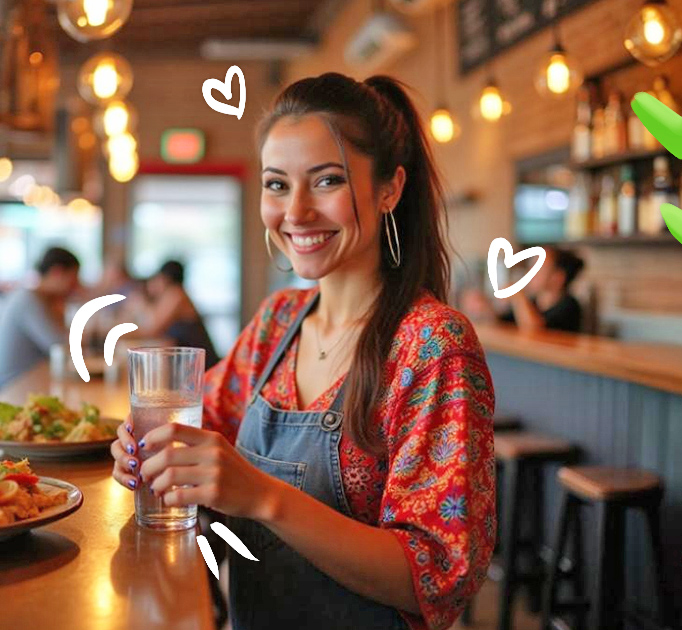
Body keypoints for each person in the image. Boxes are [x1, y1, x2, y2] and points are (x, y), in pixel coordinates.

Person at [111, 73, 495, 630]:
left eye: (326, 181)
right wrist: (143, 451)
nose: (296, 212)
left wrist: (263, 497)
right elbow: (201, 429)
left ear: (389, 189)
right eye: (276, 184)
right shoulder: (277, 321)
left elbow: (434, 577)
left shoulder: (434, 347)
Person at [0, 247, 81, 393]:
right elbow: (61, 348)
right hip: (10, 390)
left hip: (25, 384)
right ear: (57, 272)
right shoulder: (28, 300)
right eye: (73, 280)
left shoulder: (36, 298)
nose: (76, 287)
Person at [139, 260, 220, 369]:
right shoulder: (173, 294)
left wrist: (143, 302)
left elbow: (153, 329)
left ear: (164, 278)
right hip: (190, 364)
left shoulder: (176, 294)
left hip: (201, 368)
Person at [496, 247, 585, 333]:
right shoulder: (533, 303)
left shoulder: (569, 306)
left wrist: (518, 296)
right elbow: (501, 321)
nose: (529, 272)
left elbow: (535, 332)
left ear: (558, 277)